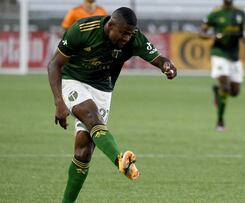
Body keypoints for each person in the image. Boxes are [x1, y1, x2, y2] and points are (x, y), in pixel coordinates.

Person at [48, 7, 177, 203]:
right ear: (111, 25)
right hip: (73, 80)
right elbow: (54, 64)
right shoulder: (83, 29)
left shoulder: (134, 37)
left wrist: (167, 66)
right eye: (124, 33)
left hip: (102, 89)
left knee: (83, 153)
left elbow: (160, 59)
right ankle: (120, 160)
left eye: (130, 33)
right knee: (92, 117)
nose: (127, 38)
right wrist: (59, 102)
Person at [199, 0, 245, 131]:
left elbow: (241, 32)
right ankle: (220, 122)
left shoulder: (240, 13)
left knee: (235, 92)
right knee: (225, 87)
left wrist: (243, 38)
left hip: (234, 55)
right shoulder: (215, 13)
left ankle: (217, 91)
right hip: (219, 53)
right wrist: (212, 37)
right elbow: (201, 32)